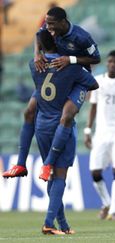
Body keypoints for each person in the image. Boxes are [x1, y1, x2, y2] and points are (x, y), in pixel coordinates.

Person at [2, 6, 100, 179]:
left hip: (78, 79)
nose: (49, 28)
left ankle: (49, 164)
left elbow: (96, 58)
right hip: (57, 75)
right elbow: (38, 36)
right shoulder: (48, 28)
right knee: (30, 110)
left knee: (67, 115)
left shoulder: (82, 37)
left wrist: (70, 59)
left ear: (63, 22)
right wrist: (36, 54)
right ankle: (20, 164)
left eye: (52, 24)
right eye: (47, 24)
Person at [31, 29, 98, 235]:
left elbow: (38, 34)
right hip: (62, 125)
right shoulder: (70, 68)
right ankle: (49, 223)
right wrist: (75, 64)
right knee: (60, 175)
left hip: (41, 126)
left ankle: (63, 223)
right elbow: (93, 83)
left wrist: (37, 52)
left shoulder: (34, 65)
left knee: (52, 176)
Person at [84, 50, 115, 221]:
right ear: (107, 63)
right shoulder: (97, 82)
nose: (112, 64)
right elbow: (93, 107)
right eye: (110, 61)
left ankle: (113, 209)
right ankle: (106, 202)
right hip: (101, 132)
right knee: (95, 172)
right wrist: (88, 130)